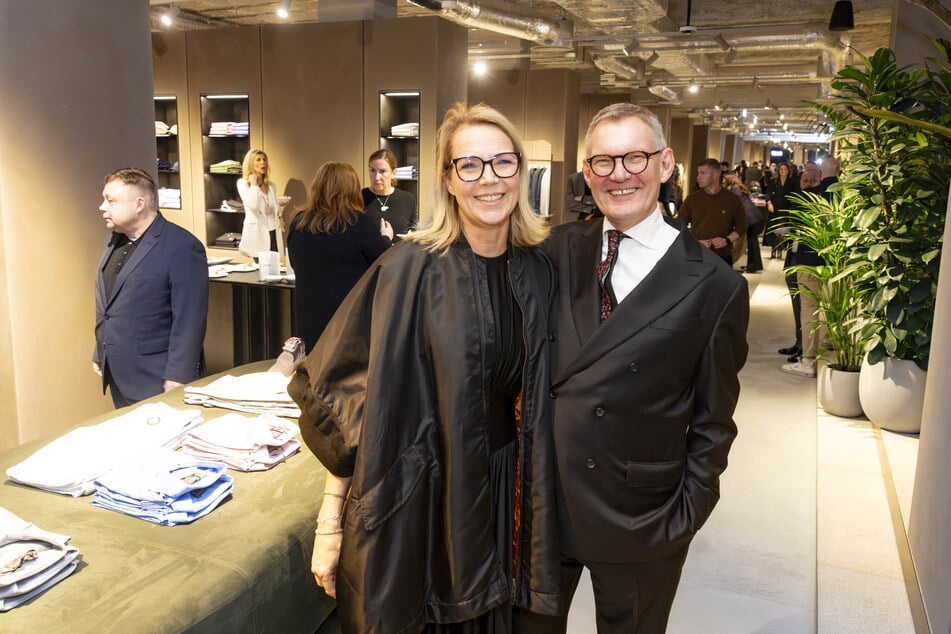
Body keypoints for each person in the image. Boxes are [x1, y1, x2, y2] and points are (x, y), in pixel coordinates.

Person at [288, 102, 564, 633]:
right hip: (426, 497)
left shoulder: (538, 268)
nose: (489, 179)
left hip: (509, 493)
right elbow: (347, 397)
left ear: (520, 172)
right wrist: (329, 522)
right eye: (470, 165)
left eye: (503, 163)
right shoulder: (409, 268)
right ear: (448, 180)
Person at [524, 103, 749, 633]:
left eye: (635, 157)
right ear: (586, 171)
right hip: (545, 503)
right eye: (602, 161)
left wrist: (687, 513)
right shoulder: (556, 249)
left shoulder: (715, 286)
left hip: (642, 515)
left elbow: (714, 420)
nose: (618, 174)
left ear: (666, 164)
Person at [93, 167, 208, 408]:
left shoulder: (182, 246)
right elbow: (110, 304)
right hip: (119, 372)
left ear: (139, 204)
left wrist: (179, 375)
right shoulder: (113, 240)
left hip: (157, 377)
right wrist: (100, 350)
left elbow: (189, 319)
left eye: (110, 200)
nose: (102, 207)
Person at [287, 162, 392, 353]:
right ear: (351, 188)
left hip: (309, 323)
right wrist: (386, 237)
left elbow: (295, 264)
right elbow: (384, 263)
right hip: (348, 327)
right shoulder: (358, 222)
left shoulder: (299, 222)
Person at [781, 157, 840, 378]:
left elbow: (797, 226)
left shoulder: (811, 196)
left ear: (821, 173)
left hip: (808, 259)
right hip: (835, 261)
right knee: (833, 304)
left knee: (809, 308)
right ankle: (831, 341)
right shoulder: (846, 196)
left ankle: (808, 361)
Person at [678, 158, 747, 266]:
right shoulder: (692, 199)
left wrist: (727, 240)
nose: (698, 177)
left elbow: (741, 226)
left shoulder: (733, 199)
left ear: (715, 175)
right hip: (697, 255)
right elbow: (679, 226)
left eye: (702, 173)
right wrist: (696, 242)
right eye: (698, 173)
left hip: (723, 256)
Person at [237, 148, 287, 259]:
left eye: (264, 159)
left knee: (275, 268)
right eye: (258, 160)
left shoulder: (271, 185)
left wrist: (281, 206)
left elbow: (273, 210)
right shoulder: (243, 184)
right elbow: (253, 205)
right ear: (250, 163)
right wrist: (254, 185)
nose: (262, 163)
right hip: (257, 233)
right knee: (261, 269)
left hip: (273, 231)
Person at [361, 148, 417, 238]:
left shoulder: (408, 199)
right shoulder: (358, 197)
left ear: (393, 173)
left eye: (382, 171)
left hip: (399, 251)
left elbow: (414, 233)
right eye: (372, 170)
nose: (376, 177)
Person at [724, 173, 764, 273]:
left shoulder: (735, 189)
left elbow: (735, 204)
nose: (723, 183)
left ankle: (752, 266)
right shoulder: (739, 187)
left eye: (725, 181)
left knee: (752, 242)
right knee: (753, 241)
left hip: (749, 217)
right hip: (753, 216)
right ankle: (754, 265)